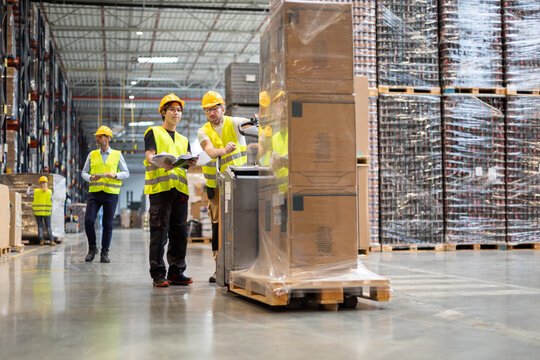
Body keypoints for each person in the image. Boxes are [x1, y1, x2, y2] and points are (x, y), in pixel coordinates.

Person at [144, 93, 197, 287]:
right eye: (172, 109)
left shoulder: (183, 139)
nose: (176, 113)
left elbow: (187, 160)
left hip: (180, 189)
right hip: (161, 189)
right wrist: (161, 163)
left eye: (179, 110)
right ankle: (158, 273)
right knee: (160, 232)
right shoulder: (153, 132)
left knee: (179, 233)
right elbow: (150, 156)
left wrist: (191, 161)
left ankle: (176, 272)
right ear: (163, 112)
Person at [197, 91, 248, 283]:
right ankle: (218, 268)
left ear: (223, 109)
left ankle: (241, 265)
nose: (211, 113)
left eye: (214, 108)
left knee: (239, 224)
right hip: (216, 187)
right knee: (218, 227)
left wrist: (259, 121)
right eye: (207, 110)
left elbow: (253, 126)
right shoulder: (203, 131)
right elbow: (209, 151)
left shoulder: (235, 123)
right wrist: (223, 150)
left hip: (238, 185)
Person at [82, 125, 130, 263]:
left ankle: (105, 252)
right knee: (89, 221)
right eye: (97, 136)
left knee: (107, 223)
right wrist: (91, 178)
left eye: (101, 136)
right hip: (95, 193)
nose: (98, 138)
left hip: (111, 193)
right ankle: (92, 248)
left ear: (108, 138)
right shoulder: (92, 154)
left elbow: (126, 173)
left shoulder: (117, 154)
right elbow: (84, 173)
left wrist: (115, 175)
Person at [27, 176, 54, 245]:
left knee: (40, 226)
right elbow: (52, 201)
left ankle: (42, 240)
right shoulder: (49, 192)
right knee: (48, 226)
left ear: (39, 183)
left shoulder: (36, 191)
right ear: (46, 183)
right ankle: (51, 240)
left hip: (38, 212)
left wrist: (29, 187)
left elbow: (28, 194)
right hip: (47, 212)